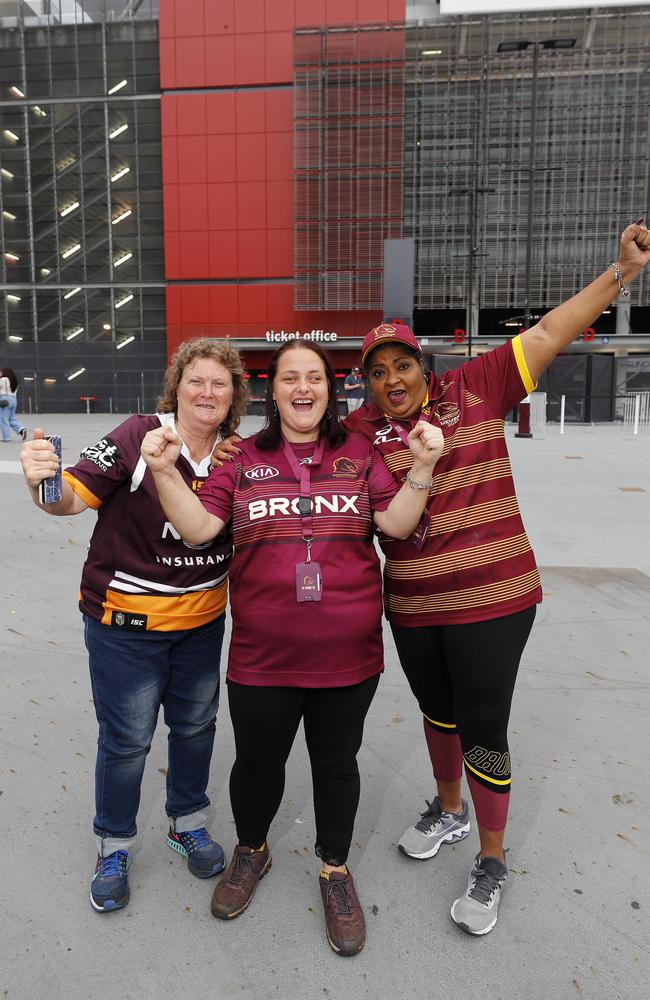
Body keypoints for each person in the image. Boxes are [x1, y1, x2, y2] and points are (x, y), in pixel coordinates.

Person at [341, 221, 650, 936]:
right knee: (437, 712)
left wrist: (620, 272)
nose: (392, 380)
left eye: (403, 365)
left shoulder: (476, 387)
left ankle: (490, 858)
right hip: (413, 606)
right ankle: (449, 811)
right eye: (378, 372)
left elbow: (549, 330)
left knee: (482, 722)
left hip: (495, 601)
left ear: (425, 364)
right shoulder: (358, 433)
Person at [140, 340, 444, 957]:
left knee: (337, 765)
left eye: (314, 378)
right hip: (262, 657)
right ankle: (252, 852)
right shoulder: (243, 457)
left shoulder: (359, 453)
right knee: (257, 764)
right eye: (289, 379)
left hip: (348, 655)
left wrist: (424, 469)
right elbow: (199, 530)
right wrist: (166, 471)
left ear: (330, 391)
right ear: (271, 391)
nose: (302, 389)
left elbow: (396, 525)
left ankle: (335, 869)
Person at [19, 338, 248, 913]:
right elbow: (70, 497)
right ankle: (114, 844)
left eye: (220, 384)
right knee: (126, 743)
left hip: (201, 623)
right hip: (125, 625)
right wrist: (41, 479)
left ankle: (186, 822)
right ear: (177, 387)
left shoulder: (237, 453)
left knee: (196, 729)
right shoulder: (138, 435)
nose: (207, 392)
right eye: (196, 380)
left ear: (234, 396)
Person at [0, 366, 27, 442]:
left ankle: (6, 438)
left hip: (4, 400)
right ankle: (21, 429)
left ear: (5, 372)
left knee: (3, 419)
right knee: (11, 417)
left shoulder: (3, 379)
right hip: (13, 400)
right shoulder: (14, 381)